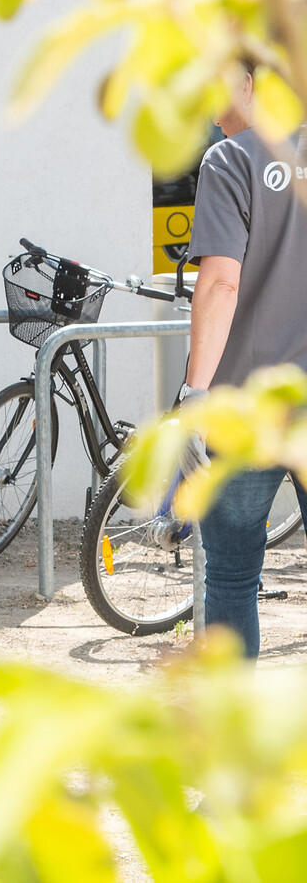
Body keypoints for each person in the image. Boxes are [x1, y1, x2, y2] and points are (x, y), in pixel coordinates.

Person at [183, 63, 307, 656]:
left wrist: (193, 397)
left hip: (243, 410)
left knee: (231, 580)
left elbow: (220, 285)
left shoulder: (231, 160)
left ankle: (231, 744)